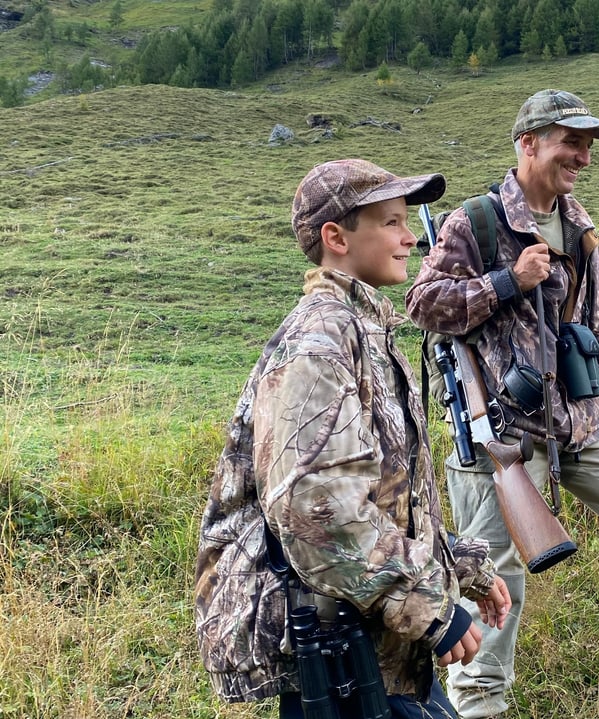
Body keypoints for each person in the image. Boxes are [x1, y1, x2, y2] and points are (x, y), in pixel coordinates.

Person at [405, 90, 599, 717]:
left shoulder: (581, 227)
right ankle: (479, 707)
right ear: (528, 143)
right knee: (490, 574)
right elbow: (422, 304)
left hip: (581, 428)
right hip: (501, 435)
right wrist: (508, 282)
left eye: (588, 146)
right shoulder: (477, 223)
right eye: (572, 142)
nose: (583, 157)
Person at [196, 159, 511, 719]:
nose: (410, 235)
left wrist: (461, 566)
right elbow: (316, 507)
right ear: (336, 238)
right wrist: (427, 606)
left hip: (372, 637)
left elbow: (379, 498)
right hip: (339, 652)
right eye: (391, 221)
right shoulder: (320, 341)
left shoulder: (362, 329)